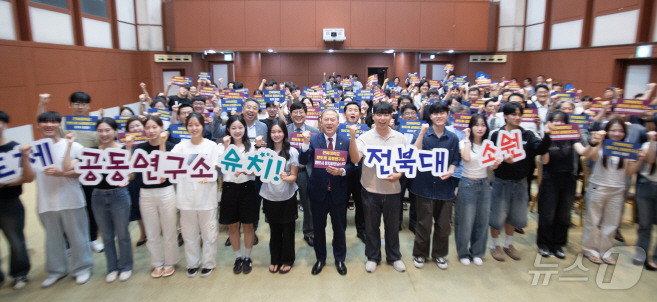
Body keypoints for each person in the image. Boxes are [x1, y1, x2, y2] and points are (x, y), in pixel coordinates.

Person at [62, 118, 133, 283]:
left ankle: (126, 266)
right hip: (98, 196)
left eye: (108, 130)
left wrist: (129, 148)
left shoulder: (123, 149)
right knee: (106, 236)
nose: (104, 134)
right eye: (100, 130)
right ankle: (112, 267)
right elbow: (67, 167)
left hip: (119, 195)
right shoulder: (91, 151)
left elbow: (130, 174)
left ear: (115, 131)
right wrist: (70, 145)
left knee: (122, 234)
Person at [37, 92, 104, 253]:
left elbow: (101, 143)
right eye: (76, 103)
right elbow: (42, 124)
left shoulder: (93, 124)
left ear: (88, 106)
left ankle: (92, 239)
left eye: (83, 104)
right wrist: (42, 105)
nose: (80, 106)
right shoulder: (63, 124)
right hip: (66, 170)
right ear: (70, 105)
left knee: (90, 205)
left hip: (88, 170)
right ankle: (69, 243)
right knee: (67, 209)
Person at [33, 111, 93, 288]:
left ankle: (82, 268)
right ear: (38, 125)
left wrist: (63, 173)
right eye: (44, 122)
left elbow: (85, 170)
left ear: (60, 125)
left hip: (71, 199)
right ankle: (56, 270)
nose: (49, 125)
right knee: (52, 239)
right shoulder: (34, 148)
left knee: (78, 237)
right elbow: (29, 176)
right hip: (46, 202)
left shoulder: (73, 146)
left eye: (53, 122)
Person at [488, 102, 551, 262]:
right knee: (497, 215)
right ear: (506, 116)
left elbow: (540, 149)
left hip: (521, 182)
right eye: (513, 114)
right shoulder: (496, 134)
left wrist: (548, 135)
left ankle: (509, 244)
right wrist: (502, 159)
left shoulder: (528, 134)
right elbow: (489, 157)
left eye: (519, 114)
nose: (517, 117)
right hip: (501, 181)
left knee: (514, 216)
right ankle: (495, 245)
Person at [349, 101, 406, 273]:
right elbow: (355, 159)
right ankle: (373, 257)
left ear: (391, 116)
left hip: (393, 190)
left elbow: (405, 163)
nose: (382, 118)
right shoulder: (364, 138)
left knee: (392, 226)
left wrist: (399, 174)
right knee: (371, 226)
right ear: (372, 116)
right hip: (370, 190)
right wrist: (352, 138)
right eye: (379, 114)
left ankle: (394, 256)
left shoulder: (400, 137)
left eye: (386, 114)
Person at [300, 109, 353, 276]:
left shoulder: (346, 141)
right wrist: (305, 144)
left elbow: (353, 165)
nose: (329, 123)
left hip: (338, 193)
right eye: (326, 120)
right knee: (318, 228)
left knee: (339, 227)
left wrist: (342, 171)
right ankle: (320, 258)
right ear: (321, 122)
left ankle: (339, 258)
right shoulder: (314, 140)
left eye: (333, 120)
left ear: (338, 123)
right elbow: (303, 160)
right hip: (318, 193)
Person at [410, 102, 460, 270]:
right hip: (423, 186)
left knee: (443, 225)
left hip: (444, 187)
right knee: (423, 224)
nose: (439, 116)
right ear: (430, 116)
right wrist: (422, 134)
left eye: (442, 113)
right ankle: (420, 254)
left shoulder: (452, 137)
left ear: (447, 115)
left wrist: (451, 170)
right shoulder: (422, 133)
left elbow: (454, 160)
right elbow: (413, 153)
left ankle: (439, 255)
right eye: (435, 113)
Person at [171, 113, 219, 278]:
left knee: (209, 234)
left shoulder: (211, 146)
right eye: (190, 125)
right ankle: (192, 263)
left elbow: (215, 169)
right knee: (189, 234)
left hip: (207, 198)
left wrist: (209, 175)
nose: (194, 128)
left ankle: (208, 263)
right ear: (186, 127)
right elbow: (170, 166)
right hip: (186, 199)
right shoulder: (180, 147)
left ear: (202, 126)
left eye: (197, 124)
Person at [536, 111, 588, 259]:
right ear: (549, 122)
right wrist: (547, 136)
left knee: (564, 215)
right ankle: (544, 244)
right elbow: (544, 161)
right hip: (550, 179)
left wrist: (595, 143)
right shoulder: (546, 138)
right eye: (555, 121)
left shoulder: (572, 138)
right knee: (547, 214)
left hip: (568, 179)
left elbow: (583, 151)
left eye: (562, 121)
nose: (558, 124)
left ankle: (558, 245)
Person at [580, 119, 630, 265]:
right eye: (613, 130)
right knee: (593, 220)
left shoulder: (626, 148)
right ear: (607, 131)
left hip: (618, 189)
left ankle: (606, 251)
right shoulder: (602, 145)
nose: (617, 134)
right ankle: (590, 249)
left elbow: (630, 171)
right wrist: (598, 141)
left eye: (620, 131)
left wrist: (639, 159)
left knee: (611, 222)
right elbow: (592, 157)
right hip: (598, 187)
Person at [455, 113, 501, 266]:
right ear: (471, 127)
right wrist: (467, 138)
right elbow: (466, 158)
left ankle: (477, 252)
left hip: (484, 184)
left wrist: (496, 163)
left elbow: (490, 167)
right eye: (476, 125)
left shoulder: (489, 144)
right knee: (466, 221)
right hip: (467, 184)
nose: (480, 128)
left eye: (482, 125)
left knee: (482, 221)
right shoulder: (463, 142)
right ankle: (463, 252)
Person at [136, 116, 179, 278]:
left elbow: (165, 168)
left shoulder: (170, 147)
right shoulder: (141, 148)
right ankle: (157, 262)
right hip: (146, 193)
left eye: (155, 127)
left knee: (169, 229)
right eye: (148, 127)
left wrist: (161, 143)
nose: (151, 131)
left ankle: (170, 261)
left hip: (165, 191)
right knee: (151, 231)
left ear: (162, 128)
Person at [218, 115, 259, 274]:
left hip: (248, 188)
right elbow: (222, 168)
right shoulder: (221, 147)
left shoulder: (252, 146)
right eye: (233, 128)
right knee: (233, 226)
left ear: (245, 129)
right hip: (229, 188)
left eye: (240, 127)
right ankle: (238, 257)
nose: (237, 131)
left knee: (248, 225)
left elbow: (257, 170)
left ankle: (248, 257)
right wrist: (227, 147)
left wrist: (244, 170)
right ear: (228, 129)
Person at [0, 111, 34, 289]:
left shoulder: (16, 148)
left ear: (6, 125)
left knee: (15, 240)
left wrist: (5, 184)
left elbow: (28, 177)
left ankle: (20, 273)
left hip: (9, 202)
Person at [260, 120, 300, 274]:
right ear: (269, 134)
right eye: (273, 132)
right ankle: (274, 259)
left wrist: (286, 177)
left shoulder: (292, 151)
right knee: (274, 230)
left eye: (279, 132)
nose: (276, 135)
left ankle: (288, 259)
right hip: (269, 196)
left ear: (285, 133)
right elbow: (256, 172)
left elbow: (294, 177)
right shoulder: (264, 152)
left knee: (288, 230)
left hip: (287, 196)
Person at [287, 102, 320, 246]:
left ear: (306, 114)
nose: (298, 115)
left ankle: (309, 232)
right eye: (295, 112)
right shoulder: (285, 130)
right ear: (290, 114)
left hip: (305, 172)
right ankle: (287, 231)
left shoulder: (314, 131)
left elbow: (317, 154)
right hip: (288, 171)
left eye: (301, 112)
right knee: (287, 202)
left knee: (308, 204)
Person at [627, 131, 657, 270]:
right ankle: (641, 254)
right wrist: (652, 140)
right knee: (644, 224)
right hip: (647, 185)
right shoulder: (647, 144)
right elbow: (650, 160)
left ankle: (655, 259)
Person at [343, 99, 367, 241]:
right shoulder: (339, 129)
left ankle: (362, 230)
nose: (352, 112)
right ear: (345, 114)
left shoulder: (365, 130)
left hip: (361, 171)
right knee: (341, 202)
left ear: (359, 113)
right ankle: (340, 231)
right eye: (349, 110)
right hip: (344, 170)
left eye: (355, 110)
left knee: (361, 202)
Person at [125, 117, 147, 246]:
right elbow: (129, 167)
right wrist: (128, 148)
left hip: (149, 178)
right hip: (134, 179)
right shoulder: (126, 146)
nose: (135, 129)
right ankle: (143, 233)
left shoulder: (147, 142)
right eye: (132, 127)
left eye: (138, 126)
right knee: (138, 207)